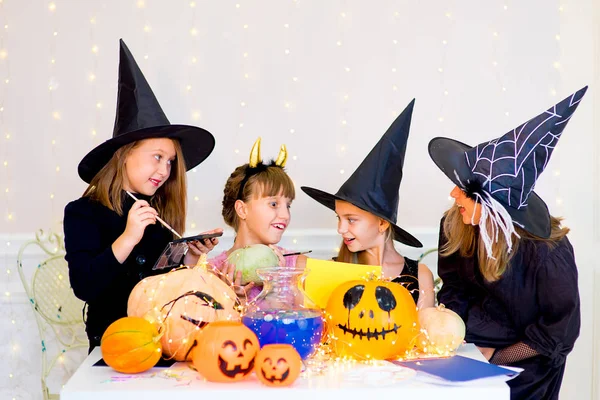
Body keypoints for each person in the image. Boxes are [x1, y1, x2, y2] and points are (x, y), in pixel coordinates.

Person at [428, 87, 587, 399]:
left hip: (526, 368)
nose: (452, 195)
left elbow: (560, 332)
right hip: (471, 350)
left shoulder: (546, 252)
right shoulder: (455, 225)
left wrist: (497, 358)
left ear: (494, 206)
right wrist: (458, 341)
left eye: (462, 190)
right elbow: (455, 291)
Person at [64, 40, 219, 351]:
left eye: (171, 162)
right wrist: (129, 236)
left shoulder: (157, 213)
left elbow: (161, 287)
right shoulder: (84, 212)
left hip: (163, 342)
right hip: (115, 346)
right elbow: (84, 286)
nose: (165, 170)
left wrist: (189, 256)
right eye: (157, 157)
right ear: (124, 155)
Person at [302, 99, 434, 309]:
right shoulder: (332, 272)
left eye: (351, 220)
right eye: (339, 218)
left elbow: (426, 336)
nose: (340, 228)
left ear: (382, 223)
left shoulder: (419, 277)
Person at [209, 137, 307, 299]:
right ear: (242, 209)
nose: (285, 215)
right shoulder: (212, 273)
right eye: (274, 204)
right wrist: (232, 301)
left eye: (288, 205)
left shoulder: (298, 268)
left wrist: (278, 287)